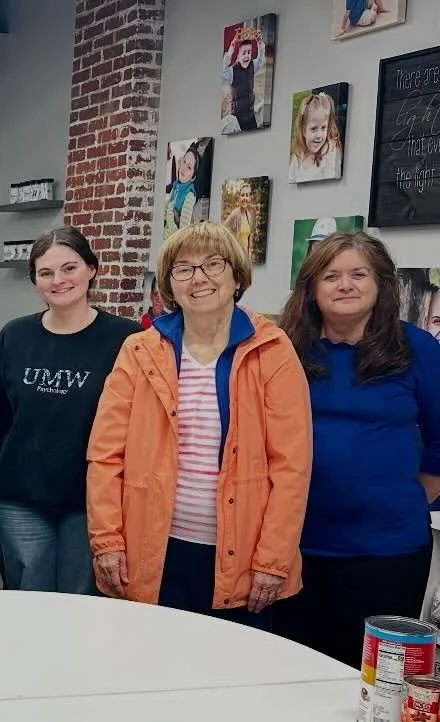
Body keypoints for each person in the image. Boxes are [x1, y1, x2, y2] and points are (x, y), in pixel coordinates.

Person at [87, 222, 311, 626]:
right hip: (152, 548)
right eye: (184, 269)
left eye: (213, 264)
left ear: (236, 275)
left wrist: (274, 560)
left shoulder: (272, 351)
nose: (199, 278)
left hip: (242, 556)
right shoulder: (139, 350)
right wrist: (106, 541)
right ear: (169, 286)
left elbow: (291, 467)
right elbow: (105, 455)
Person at [274, 232, 440, 667]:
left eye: (358, 274)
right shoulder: (283, 349)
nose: (344, 285)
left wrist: (403, 498)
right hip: (294, 547)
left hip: (388, 551)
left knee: (372, 679)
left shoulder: (417, 349)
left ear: (381, 283)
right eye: (330, 276)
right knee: (293, 673)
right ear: (311, 288)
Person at [0, 227, 139, 594]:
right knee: (29, 607)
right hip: (20, 502)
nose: (58, 280)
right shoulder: (15, 336)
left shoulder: (127, 340)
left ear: (92, 269)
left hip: (91, 506)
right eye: (46, 273)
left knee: (82, 609)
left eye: (69, 268)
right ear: (35, 280)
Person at [288, 92, 343, 183]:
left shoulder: (330, 152)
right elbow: (291, 179)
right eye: (314, 129)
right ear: (304, 131)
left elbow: (332, 182)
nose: (319, 135)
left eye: (323, 128)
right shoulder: (297, 156)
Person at [222, 28, 266, 131]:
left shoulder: (252, 66)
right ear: (237, 55)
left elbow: (261, 61)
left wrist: (260, 44)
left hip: (250, 116)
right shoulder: (232, 72)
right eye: (244, 53)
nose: (247, 55)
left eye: (249, 52)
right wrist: (230, 52)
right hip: (238, 119)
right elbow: (223, 72)